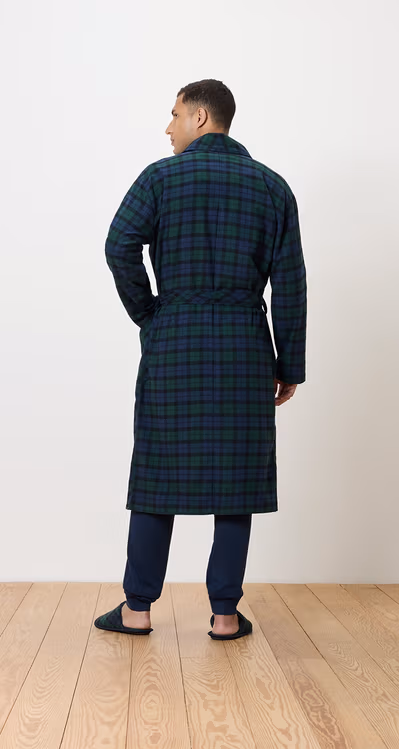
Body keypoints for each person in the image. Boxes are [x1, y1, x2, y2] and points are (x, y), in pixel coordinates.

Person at [95, 79, 306, 640]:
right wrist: (289, 364)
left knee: (157, 471)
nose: (168, 128)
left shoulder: (160, 178)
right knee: (238, 481)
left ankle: (137, 609)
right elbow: (290, 283)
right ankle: (225, 615)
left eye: (174, 115)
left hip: (175, 342)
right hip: (244, 346)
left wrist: (150, 314)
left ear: (201, 117)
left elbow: (119, 245)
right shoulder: (272, 187)